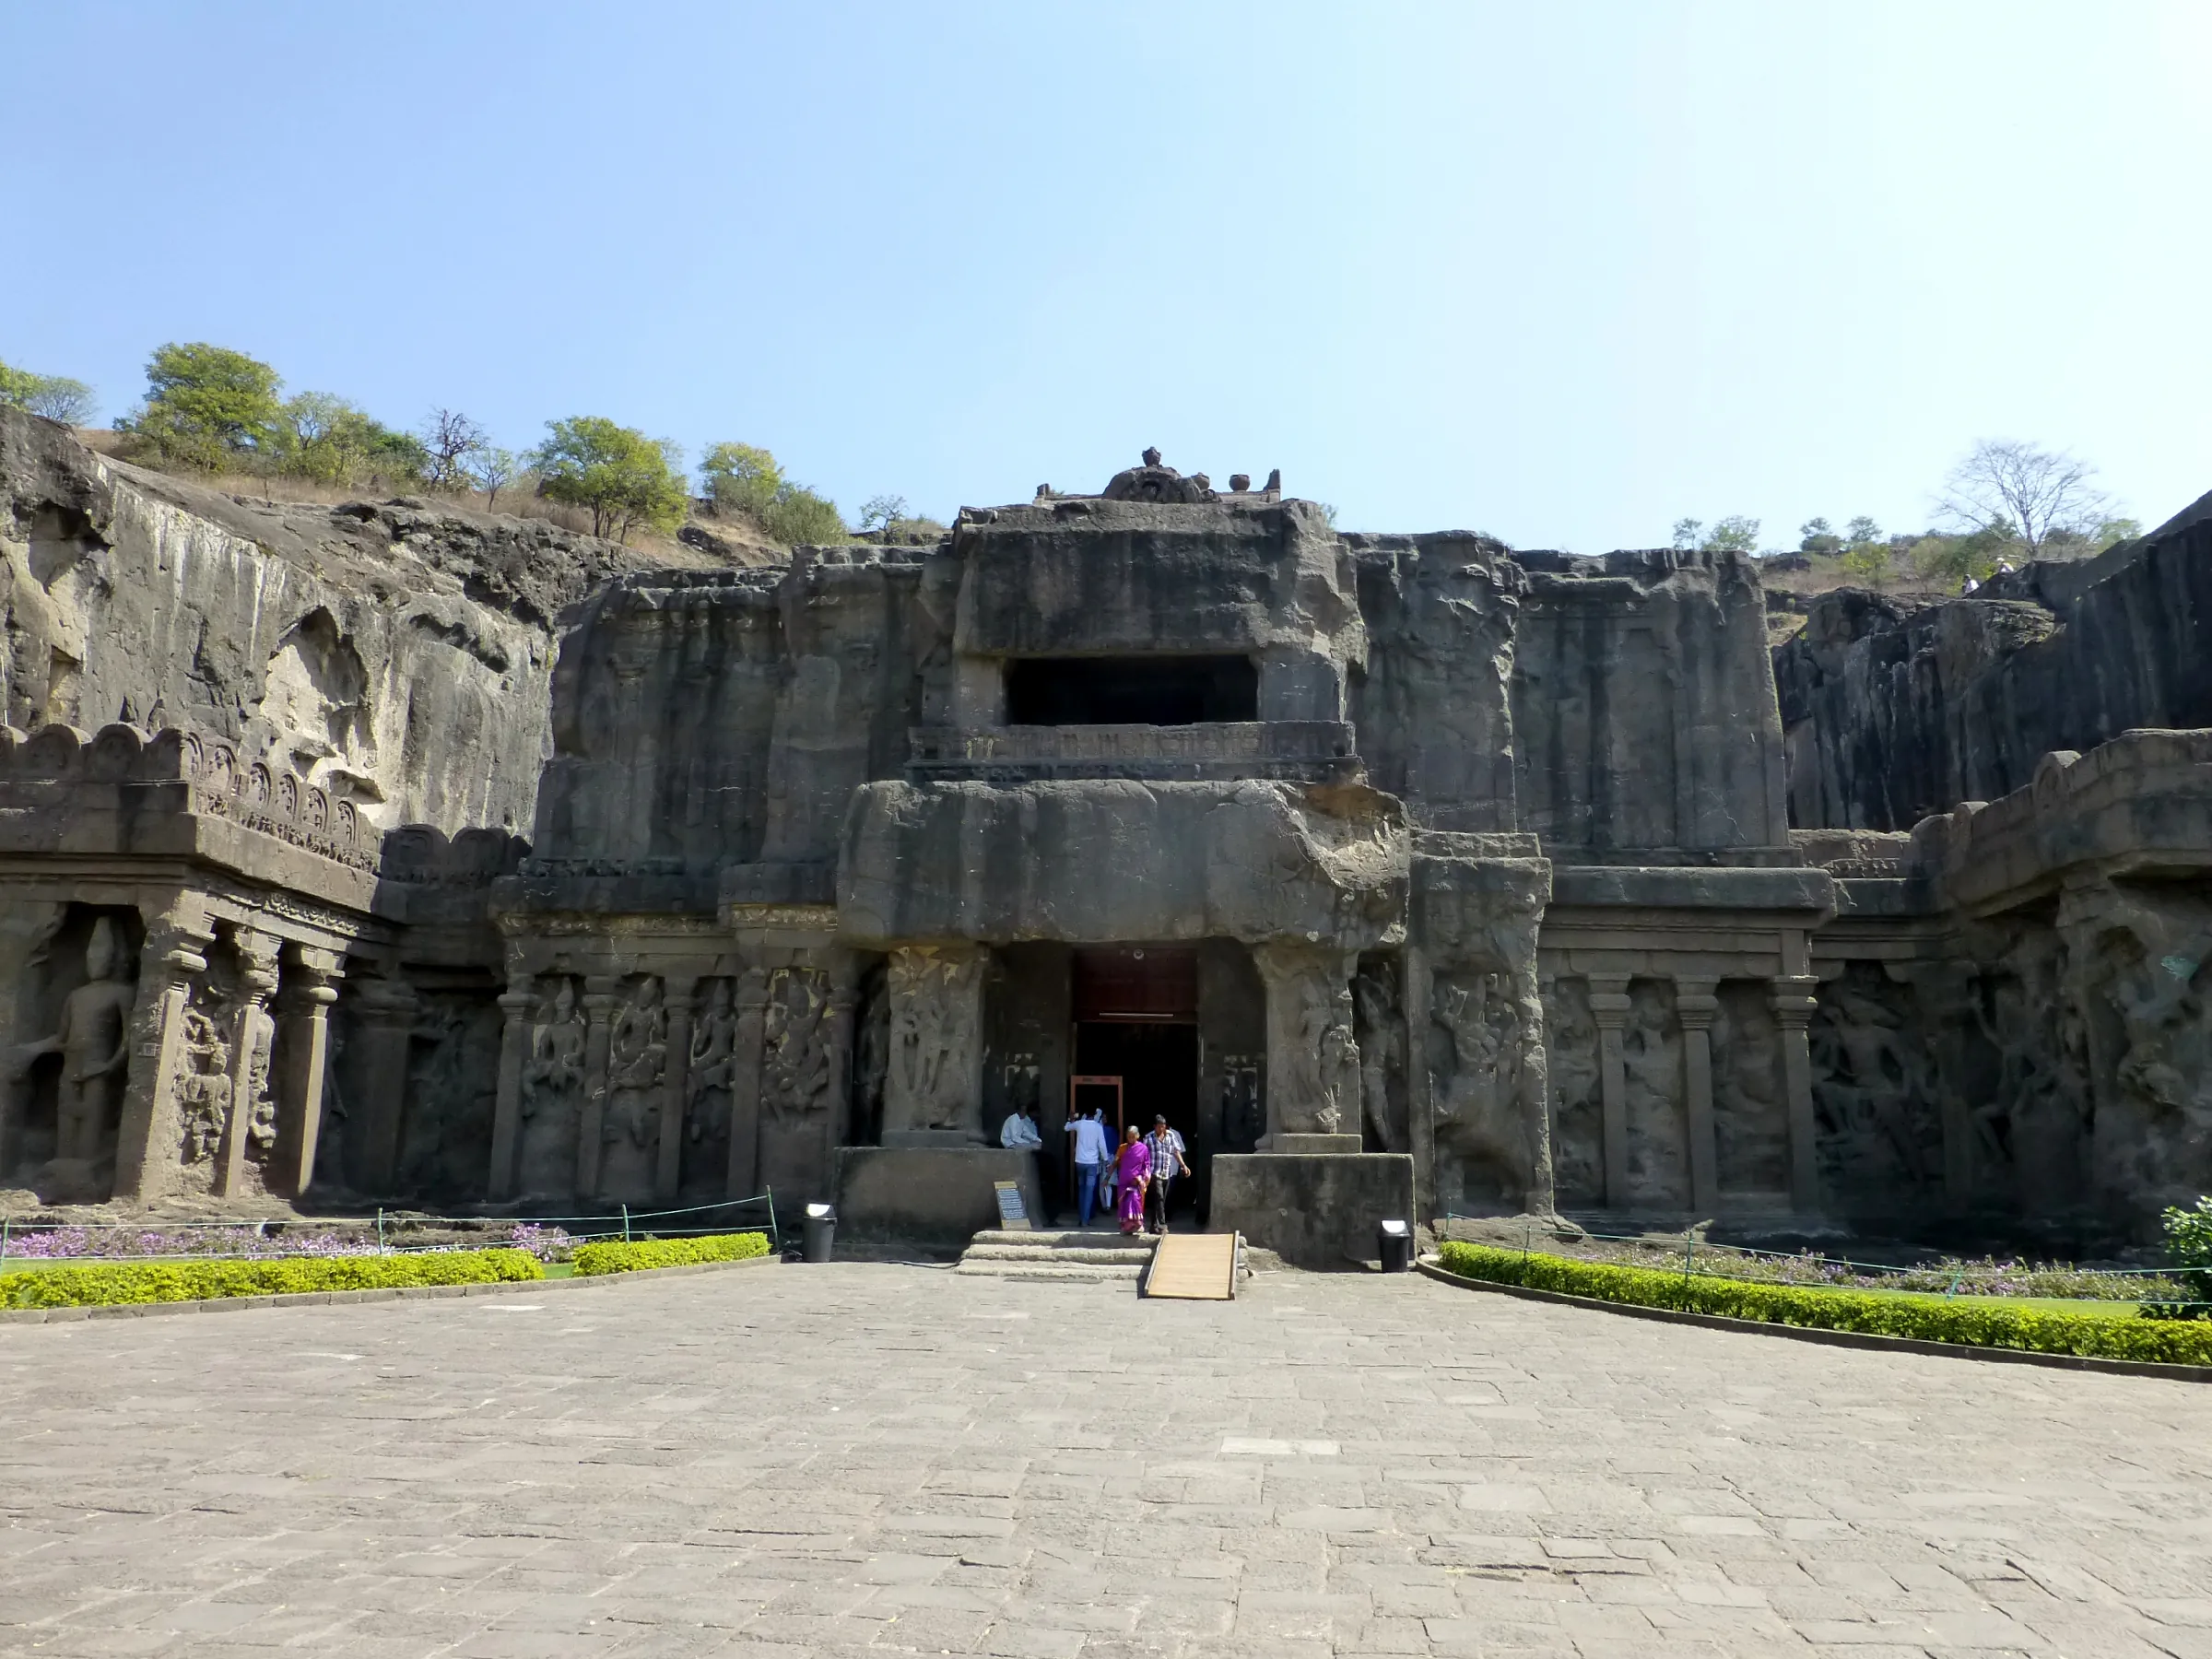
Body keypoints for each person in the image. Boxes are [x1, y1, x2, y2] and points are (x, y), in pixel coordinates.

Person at [1143, 1113, 1189, 1234]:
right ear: (1154, 1127)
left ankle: (1153, 1226)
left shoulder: (1171, 1136)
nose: (1162, 1129)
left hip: (1167, 1172)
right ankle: (1162, 1225)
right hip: (1154, 1173)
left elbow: (1176, 1151)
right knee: (1160, 1198)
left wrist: (1183, 1165)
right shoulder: (1148, 1138)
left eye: (1163, 1126)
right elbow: (1142, 1155)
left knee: (1160, 1200)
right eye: (1159, 1127)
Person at [1069, 1107, 1110, 1229]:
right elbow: (1102, 1145)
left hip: (1079, 1162)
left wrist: (1070, 1119)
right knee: (1089, 1192)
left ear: (1085, 1114)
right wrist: (1106, 1160)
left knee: (1081, 1191)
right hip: (1092, 1163)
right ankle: (1085, 1220)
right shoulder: (1098, 1127)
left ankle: (1082, 1217)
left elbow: (1066, 1127)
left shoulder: (1079, 1124)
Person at [1114, 1124, 1152, 1235]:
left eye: (1132, 1137)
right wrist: (1107, 1177)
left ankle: (1138, 1224)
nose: (1130, 1139)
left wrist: (1142, 1179)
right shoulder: (1122, 1148)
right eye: (1128, 1137)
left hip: (1136, 1182)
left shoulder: (1143, 1149)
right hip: (1123, 1181)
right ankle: (1127, 1226)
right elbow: (1116, 1162)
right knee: (1124, 1202)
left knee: (1133, 1199)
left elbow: (1147, 1166)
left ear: (1138, 1136)